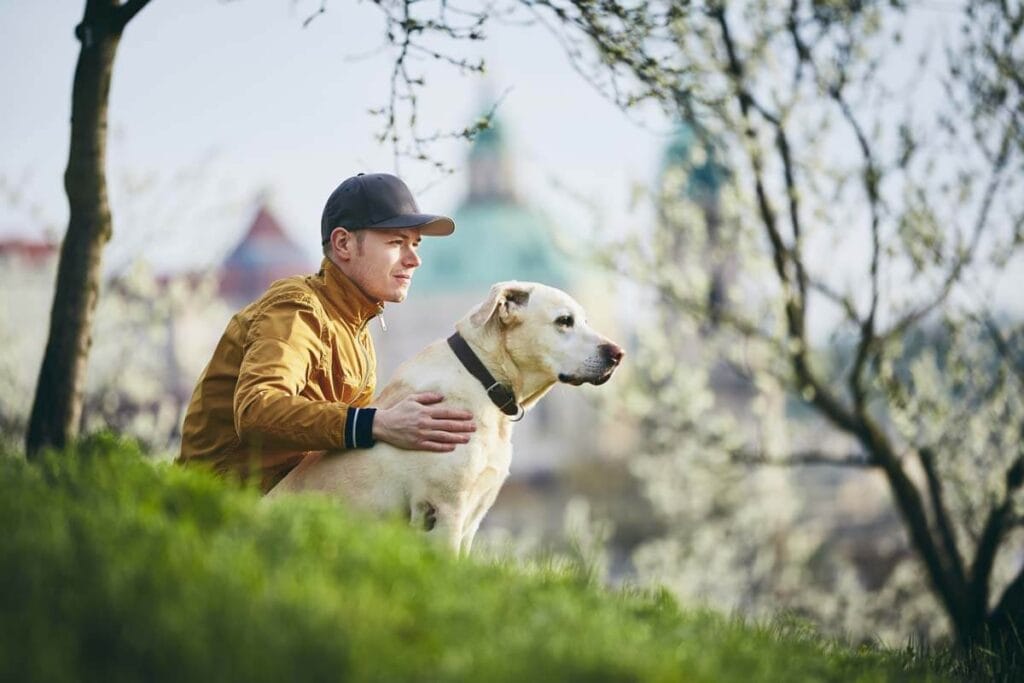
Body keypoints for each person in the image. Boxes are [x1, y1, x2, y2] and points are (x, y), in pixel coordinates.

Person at [177, 172, 476, 492]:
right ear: (344, 243)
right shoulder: (298, 309)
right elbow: (257, 409)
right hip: (221, 507)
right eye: (396, 242)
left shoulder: (355, 327)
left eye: (415, 244)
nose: (414, 259)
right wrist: (377, 422)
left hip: (291, 506)